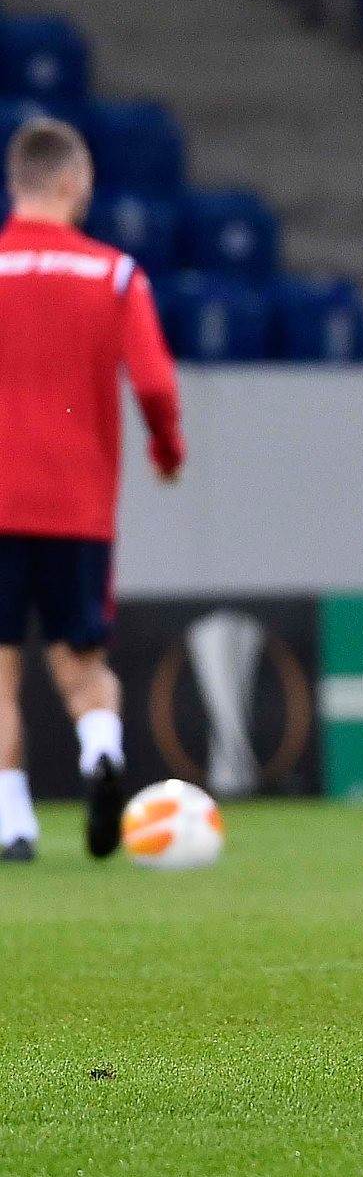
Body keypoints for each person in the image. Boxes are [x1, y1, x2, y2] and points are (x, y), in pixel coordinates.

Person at [0, 116, 185, 861]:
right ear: (72, 182)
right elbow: (154, 382)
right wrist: (166, 449)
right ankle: (99, 751)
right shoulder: (113, 274)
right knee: (81, 663)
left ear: (18, 184)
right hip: (78, 506)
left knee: (0, 667)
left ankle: (12, 823)